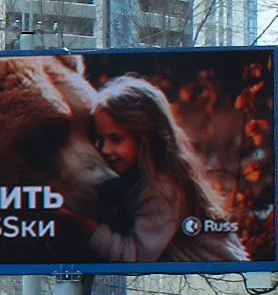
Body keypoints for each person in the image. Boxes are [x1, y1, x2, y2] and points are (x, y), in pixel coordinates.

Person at [81, 75, 244, 263]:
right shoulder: (142, 179)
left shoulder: (160, 189)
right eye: (100, 139)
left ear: (146, 137)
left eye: (116, 139)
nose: (105, 150)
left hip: (224, 276)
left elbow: (134, 258)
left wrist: (86, 226)